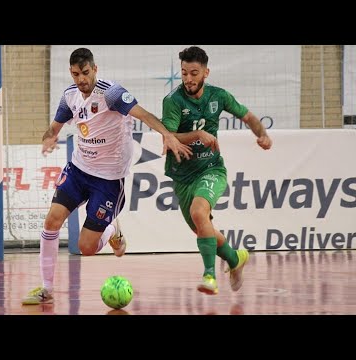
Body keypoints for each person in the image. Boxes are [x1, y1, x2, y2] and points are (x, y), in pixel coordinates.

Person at [22, 47, 193, 305]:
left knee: (86, 248)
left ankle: (113, 229)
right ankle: (46, 288)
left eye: (85, 73)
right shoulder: (70, 96)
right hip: (79, 170)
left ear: (95, 69)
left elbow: (144, 114)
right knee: (51, 221)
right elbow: (54, 127)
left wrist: (167, 134)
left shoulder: (110, 93)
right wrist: (48, 138)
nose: (81, 79)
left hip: (109, 179)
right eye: (75, 74)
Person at [161, 46, 273, 295]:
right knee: (202, 227)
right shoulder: (173, 101)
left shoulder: (218, 96)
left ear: (205, 73)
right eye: (184, 73)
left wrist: (262, 134)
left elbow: (248, 116)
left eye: (194, 73)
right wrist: (197, 135)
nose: (188, 79)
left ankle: (210, 275)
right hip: (182, 176)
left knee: (199, 212)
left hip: (211, 169)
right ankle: (235, 259)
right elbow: (169, 135)